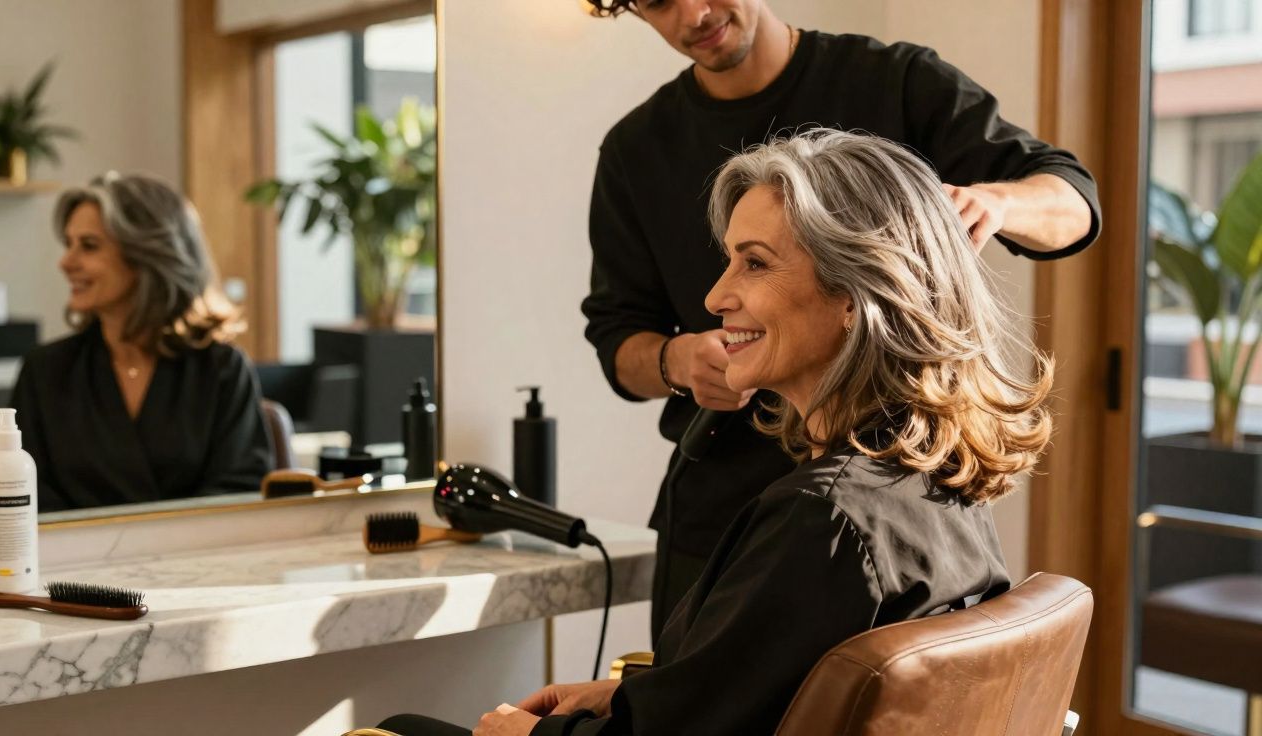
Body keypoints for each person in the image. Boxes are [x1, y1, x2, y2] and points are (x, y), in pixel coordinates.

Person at [375, 129, 1050, 735]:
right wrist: (629, 698)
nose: (715, 297)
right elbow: (762, 696)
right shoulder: (938, 483)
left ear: (853, 294)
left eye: (754, 263)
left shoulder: (824, 519)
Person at [579, 0, 1100, 637]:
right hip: (724, 510)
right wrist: (676, 360)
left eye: (755, 262)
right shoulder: (637, 150)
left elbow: (1074, 202)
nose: (694, 12)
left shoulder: (896, 82)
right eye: (658, 2)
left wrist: (994, 200)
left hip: (884, 488)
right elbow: (617, 337)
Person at [9, 172, 272, 512]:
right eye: (68, 244)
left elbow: (241, 490)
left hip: (199, 546)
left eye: (88, 246)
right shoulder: (45, 371)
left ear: (145, 256)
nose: (66, 262)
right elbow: (26, 498)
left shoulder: (221, 369)